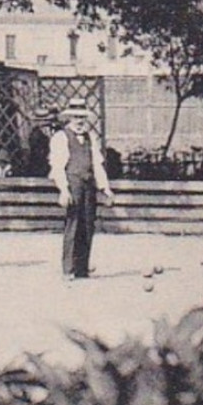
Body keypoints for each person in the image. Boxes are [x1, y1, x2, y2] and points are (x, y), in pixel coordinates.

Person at [48, 100, 115, 280]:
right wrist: (63, 190)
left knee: (87, 225)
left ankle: (82, 268)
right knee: (73, 226)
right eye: (76, 117)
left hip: (88, 185)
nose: (79, 121)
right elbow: (57, 166)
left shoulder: (90, 137)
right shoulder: (61, 137)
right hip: (73, 185)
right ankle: (68, 269)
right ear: (69, 117)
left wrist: (105, 188)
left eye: (82, 117)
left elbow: (97, 164)